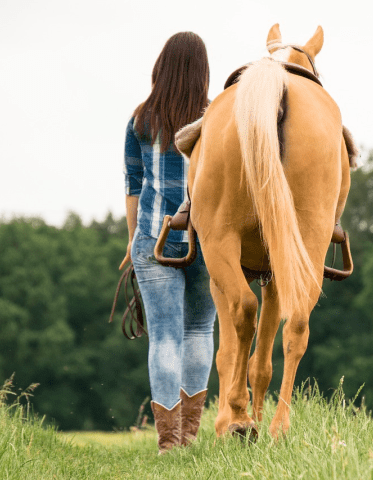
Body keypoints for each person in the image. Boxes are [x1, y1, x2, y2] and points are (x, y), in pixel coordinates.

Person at [120, 31, 216, 455]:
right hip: (208, 238)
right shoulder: (218, 120)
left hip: (155, 239)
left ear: (161, 67)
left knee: (163, 337)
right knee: (199, 329)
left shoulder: (141, 119)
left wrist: (132, 241)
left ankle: (168, 445)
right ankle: (190, 439)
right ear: (203, 71)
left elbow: (134, 185)